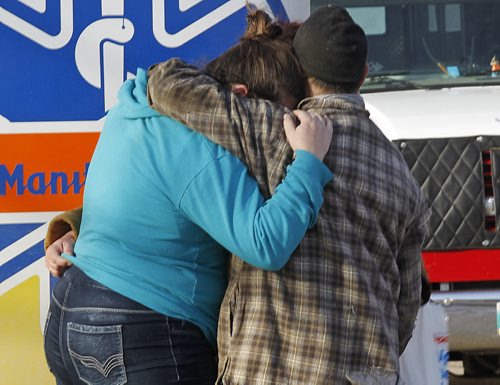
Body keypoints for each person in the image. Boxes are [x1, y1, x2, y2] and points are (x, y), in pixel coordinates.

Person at [42, 13, 334, 385]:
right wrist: (308, 161)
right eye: (281, 115)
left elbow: (146, 200)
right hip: (139, 333)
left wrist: (72, 228)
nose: (284, 128)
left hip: (70, 313)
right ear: (241, 97)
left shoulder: (135, 109)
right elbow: (265, 243)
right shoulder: (202, 147)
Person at [146, 5, 429, 384]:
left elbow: (164, 83)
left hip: (267, 370)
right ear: (363, 75)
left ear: (299, 68)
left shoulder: (272, 130)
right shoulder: (400, 174)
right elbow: (406, 306)